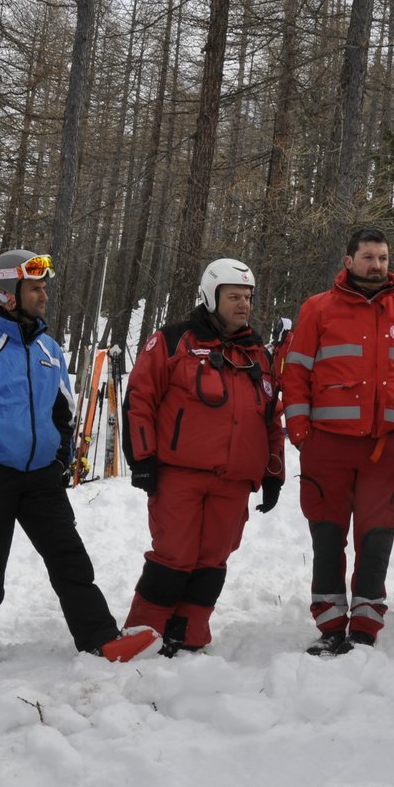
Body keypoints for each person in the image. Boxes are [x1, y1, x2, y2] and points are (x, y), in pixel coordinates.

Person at [0, 249, 158, 663]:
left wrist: (60, 460)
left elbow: (65, 411)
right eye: (34, 288)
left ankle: (101, 640)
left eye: (43, 287)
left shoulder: (50, 349)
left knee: (70, 559)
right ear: (8, 294)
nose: (44, 296)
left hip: (41, 478)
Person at [280, 228, 394, 655]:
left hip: (389, 450)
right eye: (369, 257)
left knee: (377, 538)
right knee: (328, 537)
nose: (377, 265)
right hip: (327, 447)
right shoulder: (318, 309)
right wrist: (301, 434)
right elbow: (295, 373)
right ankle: (330, 624)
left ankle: (366, 625)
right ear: (349, 262)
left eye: (383, 257)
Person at [122, 258, 284, 656]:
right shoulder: (173, 340)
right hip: (180, 474)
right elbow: (139, 399)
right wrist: (142, 459)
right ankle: (144, 634)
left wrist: (273, 472)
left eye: (247, 297)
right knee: (174, 555)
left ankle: (189, 635)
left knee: (213, 558)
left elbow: (270, 418)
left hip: (234, 479)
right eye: (233, 296)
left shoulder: (259, 355)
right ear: (211, 297)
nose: (243, 304)